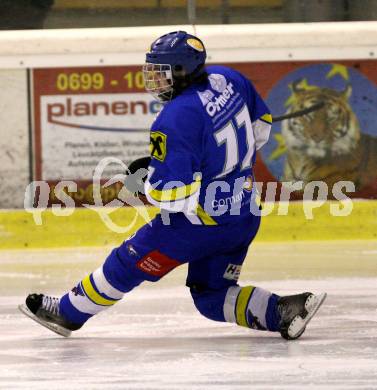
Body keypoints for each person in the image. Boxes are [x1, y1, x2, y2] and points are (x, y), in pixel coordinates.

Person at [19, 31, 326, 340]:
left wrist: (145, 181)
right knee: (210, 296)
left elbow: (172, 196)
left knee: (126, 261)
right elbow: (261, 130)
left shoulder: (175, 117)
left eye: (161, 73)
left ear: (182, 71)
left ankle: (68, 314)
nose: (154, 80)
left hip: (196, 225)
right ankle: (282, 311)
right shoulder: (228, 79)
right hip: (243, 214)